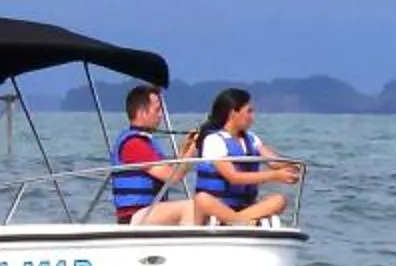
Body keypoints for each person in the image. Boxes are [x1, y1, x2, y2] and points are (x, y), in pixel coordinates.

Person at [105, 85, 246, 227]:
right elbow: (173, 177)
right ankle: (242, 224)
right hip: (134, 217)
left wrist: (183, 152)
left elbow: (170, 172)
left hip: (147, 213)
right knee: (191, 207)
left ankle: (235, 221)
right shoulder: (134, 144)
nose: (161, 115)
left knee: (201, 205)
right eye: (157, 110)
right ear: (142, 113)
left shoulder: (143, 141)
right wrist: (193, 150)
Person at [189, 88, 302, 227]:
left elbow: (274, 162)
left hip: (244, 206)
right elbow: (233, 177)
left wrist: (294, 166)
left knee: (279, 200)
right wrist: (275, 176)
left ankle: (236, 221)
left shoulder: (252, 139)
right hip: (219, 207)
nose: (253, 117)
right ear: (233, 113)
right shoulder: (214, 141)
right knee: (202, 199)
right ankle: (241, 221)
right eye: (249, 111)